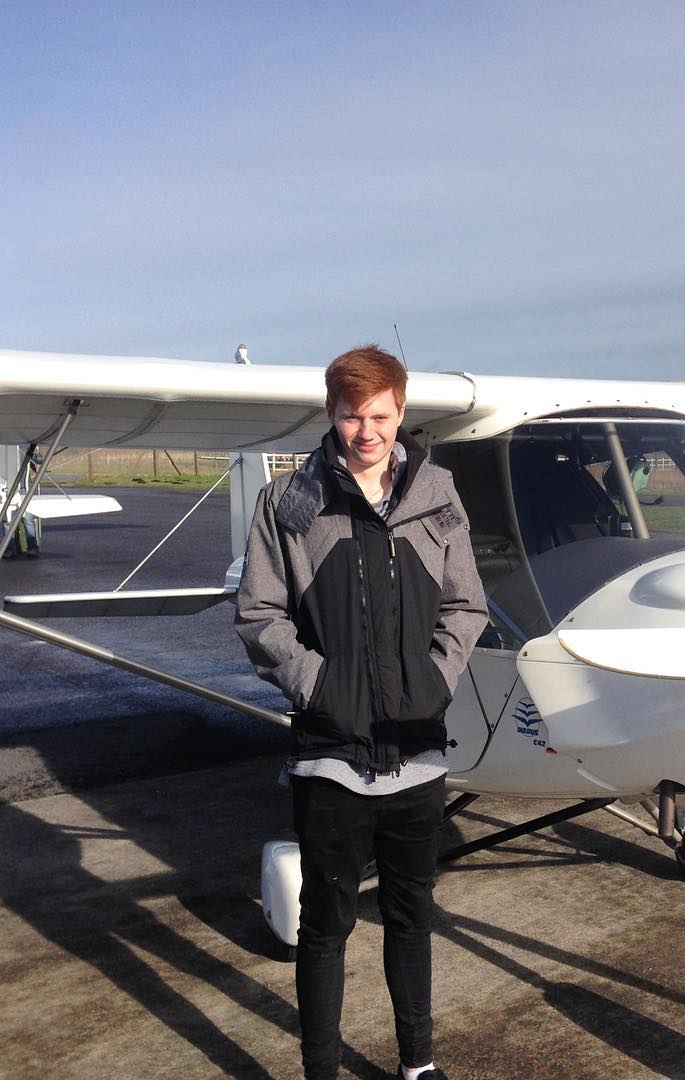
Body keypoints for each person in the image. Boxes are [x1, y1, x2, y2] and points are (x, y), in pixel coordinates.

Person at [235, 345, 487, 1080]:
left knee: (411, 918)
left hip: (417, 754)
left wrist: (432, 680)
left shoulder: (437, 492)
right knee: (325, 926)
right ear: (332, 413)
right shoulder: (289, 502)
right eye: (352, 416)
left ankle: (418, 1064)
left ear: (401, 413)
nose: (366, 431)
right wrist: (321, 688)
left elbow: (466, 605)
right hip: (331, 759)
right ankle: (320, 1069)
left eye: (380, 416)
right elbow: (258, 614)